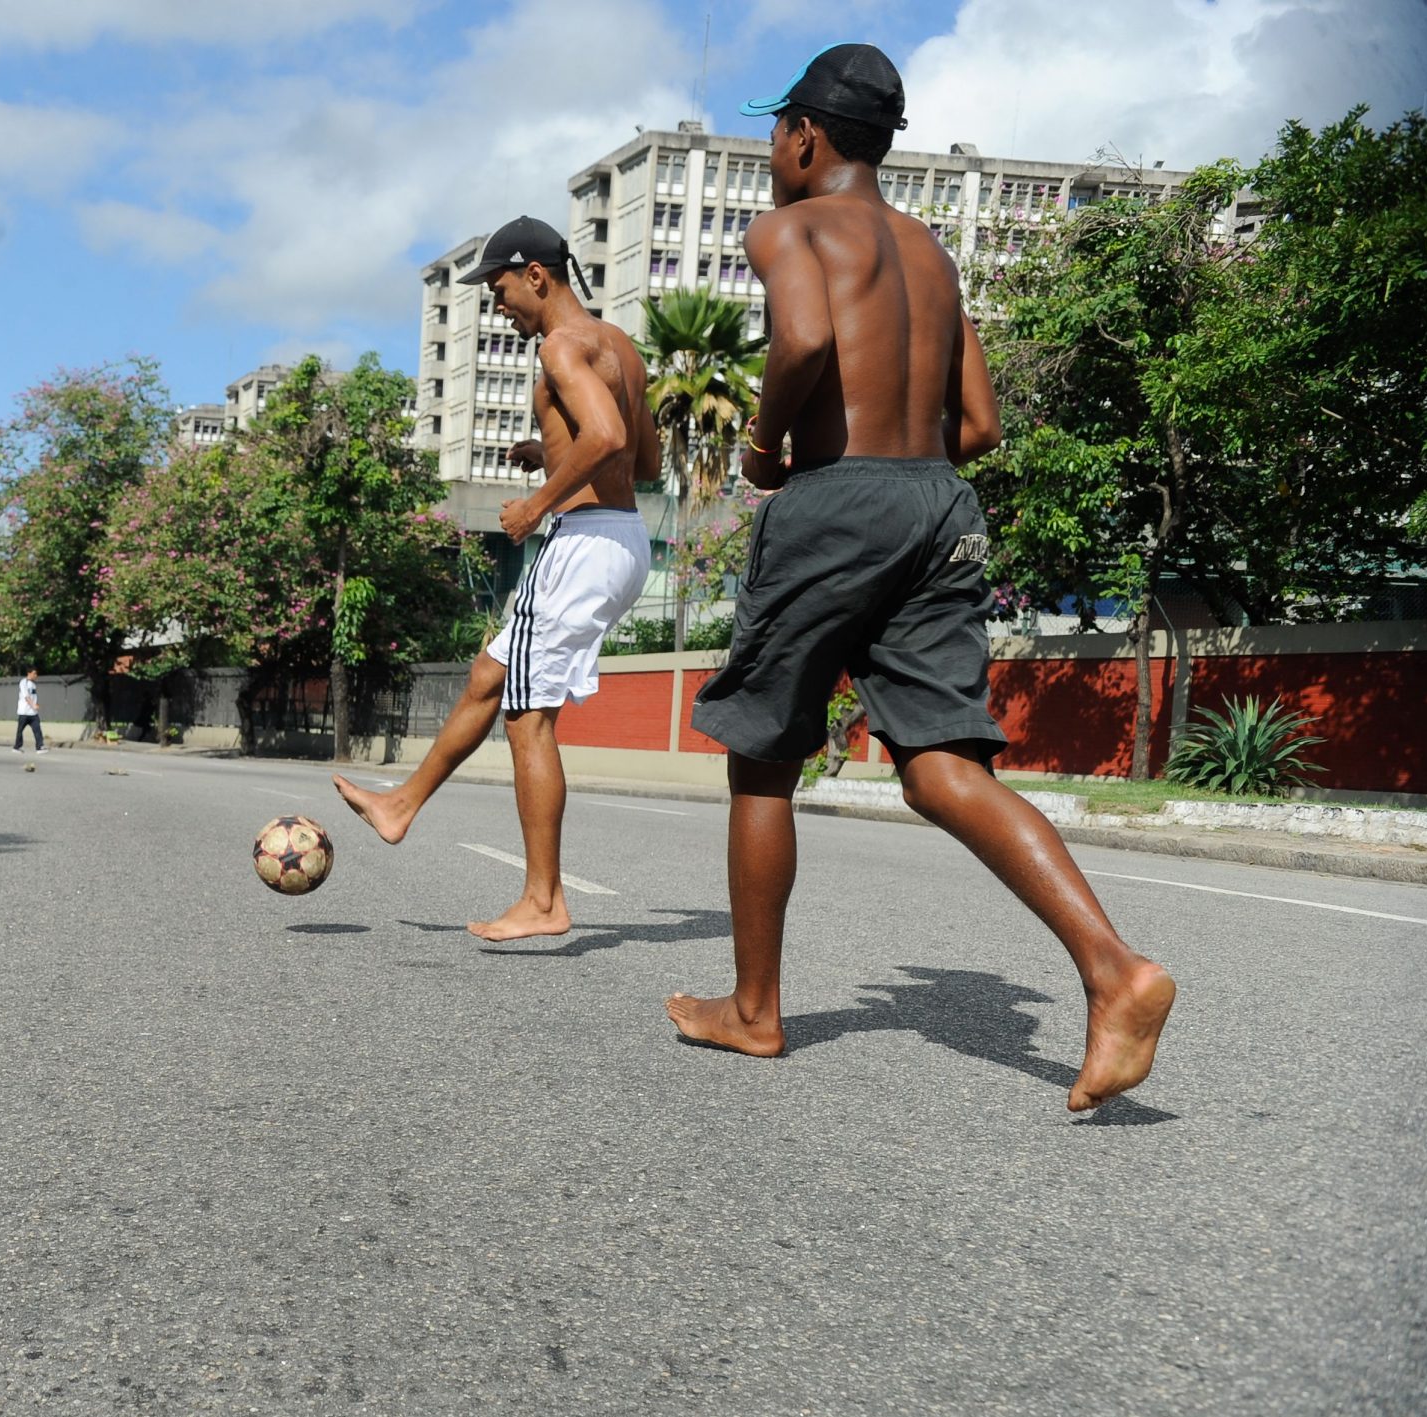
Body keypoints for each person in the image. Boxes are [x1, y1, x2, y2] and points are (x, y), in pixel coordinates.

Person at [666, 43, 1174, 1112]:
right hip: (940, 499)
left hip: (836, 498)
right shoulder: (931, 254)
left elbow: (802, 335)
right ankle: (1114, 970)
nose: (770, 150)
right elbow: (980, 425)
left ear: (804, 136)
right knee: (942, 764)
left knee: (762, 757)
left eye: (774, 132)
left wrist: (767, 455)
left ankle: (755, 1011)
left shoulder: (790, 226)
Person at [332, 214, 661, 938]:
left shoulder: (561, 346)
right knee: (490, 675)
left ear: (536, 275)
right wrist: (550, 452)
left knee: (527, 717)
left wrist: (537, 503)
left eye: (501, 288)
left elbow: (605, 438)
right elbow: (643, 463)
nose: (498, 303)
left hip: (581, 545)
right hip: (620, 537)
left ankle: (544, 901)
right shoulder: (621, 347)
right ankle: (402, 805)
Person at [14, 667, 44, 752]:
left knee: (37, 729)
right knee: (20, 730)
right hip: (24, 712)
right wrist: (33, 705)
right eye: (34, 673)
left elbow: (33, 697)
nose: (36, 675)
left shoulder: (34, 684)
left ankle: (40, 746)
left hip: (33, 713)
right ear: (29, 673)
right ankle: (17, 747)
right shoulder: (24, 682)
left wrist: (35, 705)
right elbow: (26, 696)